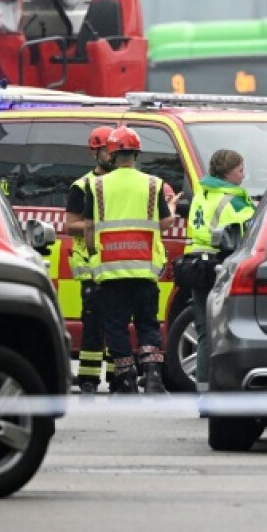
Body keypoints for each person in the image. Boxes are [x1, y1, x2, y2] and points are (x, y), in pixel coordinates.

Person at [84, 126, 174, 395]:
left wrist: (92, 253)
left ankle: (125, 378)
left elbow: (88, 227)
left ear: (111, 153)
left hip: (110, 270)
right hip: (145, 267)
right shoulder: (153, 184)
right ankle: (153, 374)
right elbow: (164, 222)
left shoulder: (96, 185)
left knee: (116, 325)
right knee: (147, 323)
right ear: (136, 153)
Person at [183, 150, 255, 392]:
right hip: (220, 266)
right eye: (240, 171)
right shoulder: (233, 199)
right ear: (227, 173)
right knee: (227, 334)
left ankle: (204, 395)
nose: (244, 176)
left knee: (204, 334)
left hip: (196, 265)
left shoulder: (202, 192)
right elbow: (254, 231)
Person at [65, 126, 115, 395]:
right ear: (95, 152)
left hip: (120, 265)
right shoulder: (82, 187)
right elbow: (70, 224)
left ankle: (119, 377)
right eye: (108, 150)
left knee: (118, 326)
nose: (112, 155)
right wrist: (98, 226)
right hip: (91, 269)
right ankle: (88, 380)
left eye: (116, 149)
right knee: (94, 326)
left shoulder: (126, 184)